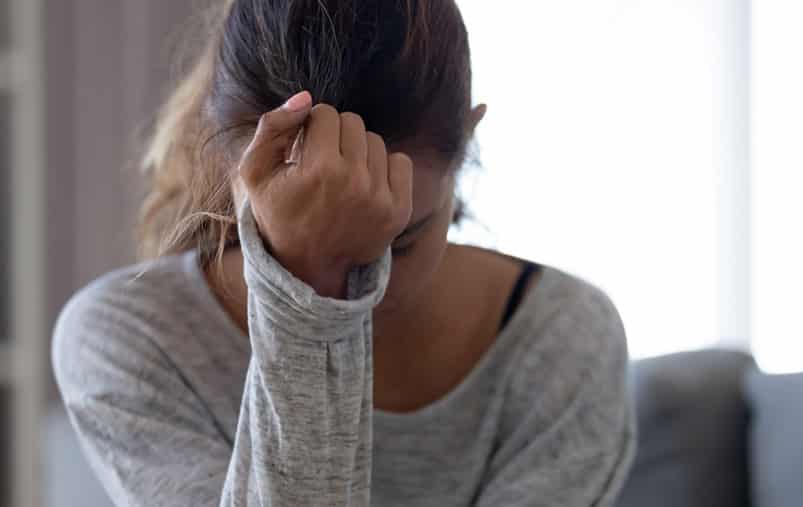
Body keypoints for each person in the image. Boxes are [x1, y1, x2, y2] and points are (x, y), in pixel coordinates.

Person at [51, 0, 636, 505]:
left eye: (396, 241)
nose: (367, 288)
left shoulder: (561, 337)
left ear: (468, 141)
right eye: (285, 226)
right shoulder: (129, 338)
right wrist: (303, 300)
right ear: (232, 165)